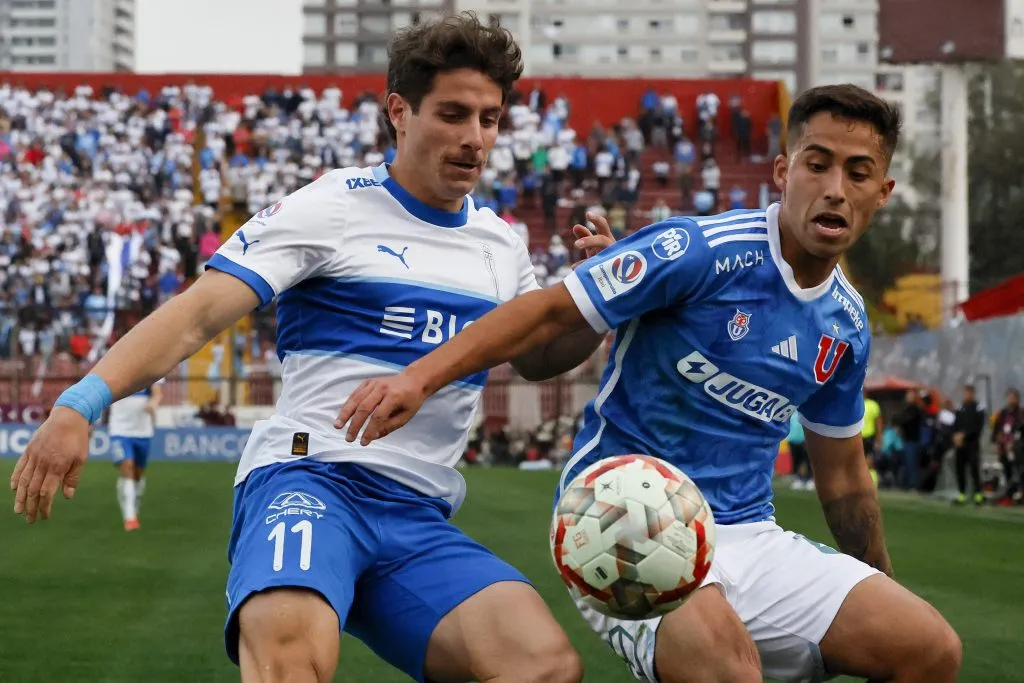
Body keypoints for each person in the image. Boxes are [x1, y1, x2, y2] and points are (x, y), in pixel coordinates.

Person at [10, 14, 621, 683]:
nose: (474, 138)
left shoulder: (500, 244)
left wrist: (601, 299)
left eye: (490, 119)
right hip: (310, 478)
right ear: (400, 112)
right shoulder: (333, 206)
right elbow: (197, 315)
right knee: (291, 662)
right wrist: (79, 402)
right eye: (453, 114)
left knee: (543, 665)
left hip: (416, 513)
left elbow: (536, 355)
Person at [335, 84, 962, 683]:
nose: (834, 189)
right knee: (729, 672)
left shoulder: (846, 323)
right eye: (817, 166)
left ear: (883, 192)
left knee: (930, 651)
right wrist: (419, 378)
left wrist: (882, 586)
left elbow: (845, 477)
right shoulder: (699, 251)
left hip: (748, 529)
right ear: (782, 172)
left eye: (857, 174)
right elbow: (548, 312)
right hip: (622, 509)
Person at [108, 379, 163, 530]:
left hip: (143, 431)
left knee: (138, 474)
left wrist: (153, 403)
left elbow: (157, 393)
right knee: (127, 465)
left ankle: (132, 502)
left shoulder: (150, 372)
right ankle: (130, 517)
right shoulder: (116, 371)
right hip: (120, 430)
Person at [952, 383, 986, 505]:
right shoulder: (960, 407)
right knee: (960, 469)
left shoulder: (978, 408)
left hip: (972, 444)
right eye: (966, 393)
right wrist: (956, 436)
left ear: (973, 394)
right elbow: (955, 424)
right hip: (960, 445)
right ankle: (962, 494)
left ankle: (978, 495)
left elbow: (978, 427)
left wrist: (965, 435)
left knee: (974, 469)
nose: (968, 395)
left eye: (970, 393)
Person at [862, 387, 883, 485]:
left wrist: (879, 439)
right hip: (857, 438)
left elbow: (878, 423)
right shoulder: (854, 404)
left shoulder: (873, 405)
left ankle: (872, 482)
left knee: (869, 462)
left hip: (869, 437)